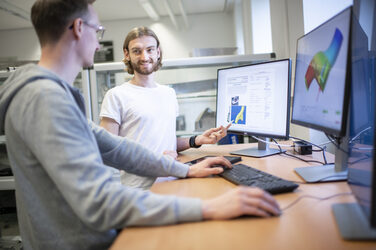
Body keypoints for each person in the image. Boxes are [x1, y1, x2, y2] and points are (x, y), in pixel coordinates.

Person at [0, 0, 280, 249]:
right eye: (98, 32)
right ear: (77, 28)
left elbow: (117, 148)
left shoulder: (54, 94)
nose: (99, 44)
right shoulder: (43, 99)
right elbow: (99, 200)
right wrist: (206, 207)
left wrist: (184, 170)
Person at [99, 26, 231, 189]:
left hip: (175, 180)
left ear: (158, 52)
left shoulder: (168, 93)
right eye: (137, 51)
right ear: (127, 54)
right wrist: (160, 164)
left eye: (150, 50)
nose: (144, 56)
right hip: (138, 190)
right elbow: (107, 152)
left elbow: (164, 142)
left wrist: (196, 140)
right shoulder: (116, 95)